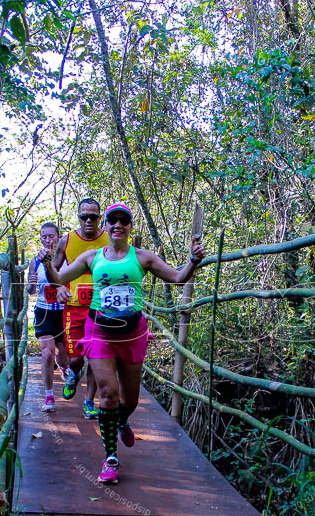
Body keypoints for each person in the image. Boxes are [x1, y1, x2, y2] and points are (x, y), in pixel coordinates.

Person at [42, 203, 206, 484]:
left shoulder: (143, 258)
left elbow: (178, 278)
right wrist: (47, 263)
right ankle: (110, 458)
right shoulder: (91, 257)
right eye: (112, 221)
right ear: (105, 226)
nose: (117, 225)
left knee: (129, 401)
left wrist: (192, 261)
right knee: (108, 394)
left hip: (131, 334)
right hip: (99, 333)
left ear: (130, 227)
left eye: (123, 221)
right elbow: (57, 278)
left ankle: (122, 419)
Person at [54, 198, 107, 419]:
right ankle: (74, 375)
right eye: (83, 216)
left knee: (95, 357)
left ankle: (89, 402)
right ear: (78, 216)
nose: (88, 220)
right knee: (75, 358)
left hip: (101, 309)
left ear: (99, 217)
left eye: (93, 217)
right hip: (73, 308)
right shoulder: (66, 241)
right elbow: (53, 271)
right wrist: (57, 288)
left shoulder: (110, 239)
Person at [26, 222, 71, 412]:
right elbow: (30, 291)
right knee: (47, 353)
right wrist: (31, 283)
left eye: (51, 236)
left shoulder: (68, 259)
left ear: (58, 237)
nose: (47, 240)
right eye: (44, 236)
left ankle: (63, 367)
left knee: (63, 355)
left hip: (63, 312)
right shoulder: (34, 261)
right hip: (44, 312)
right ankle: (49, 396)